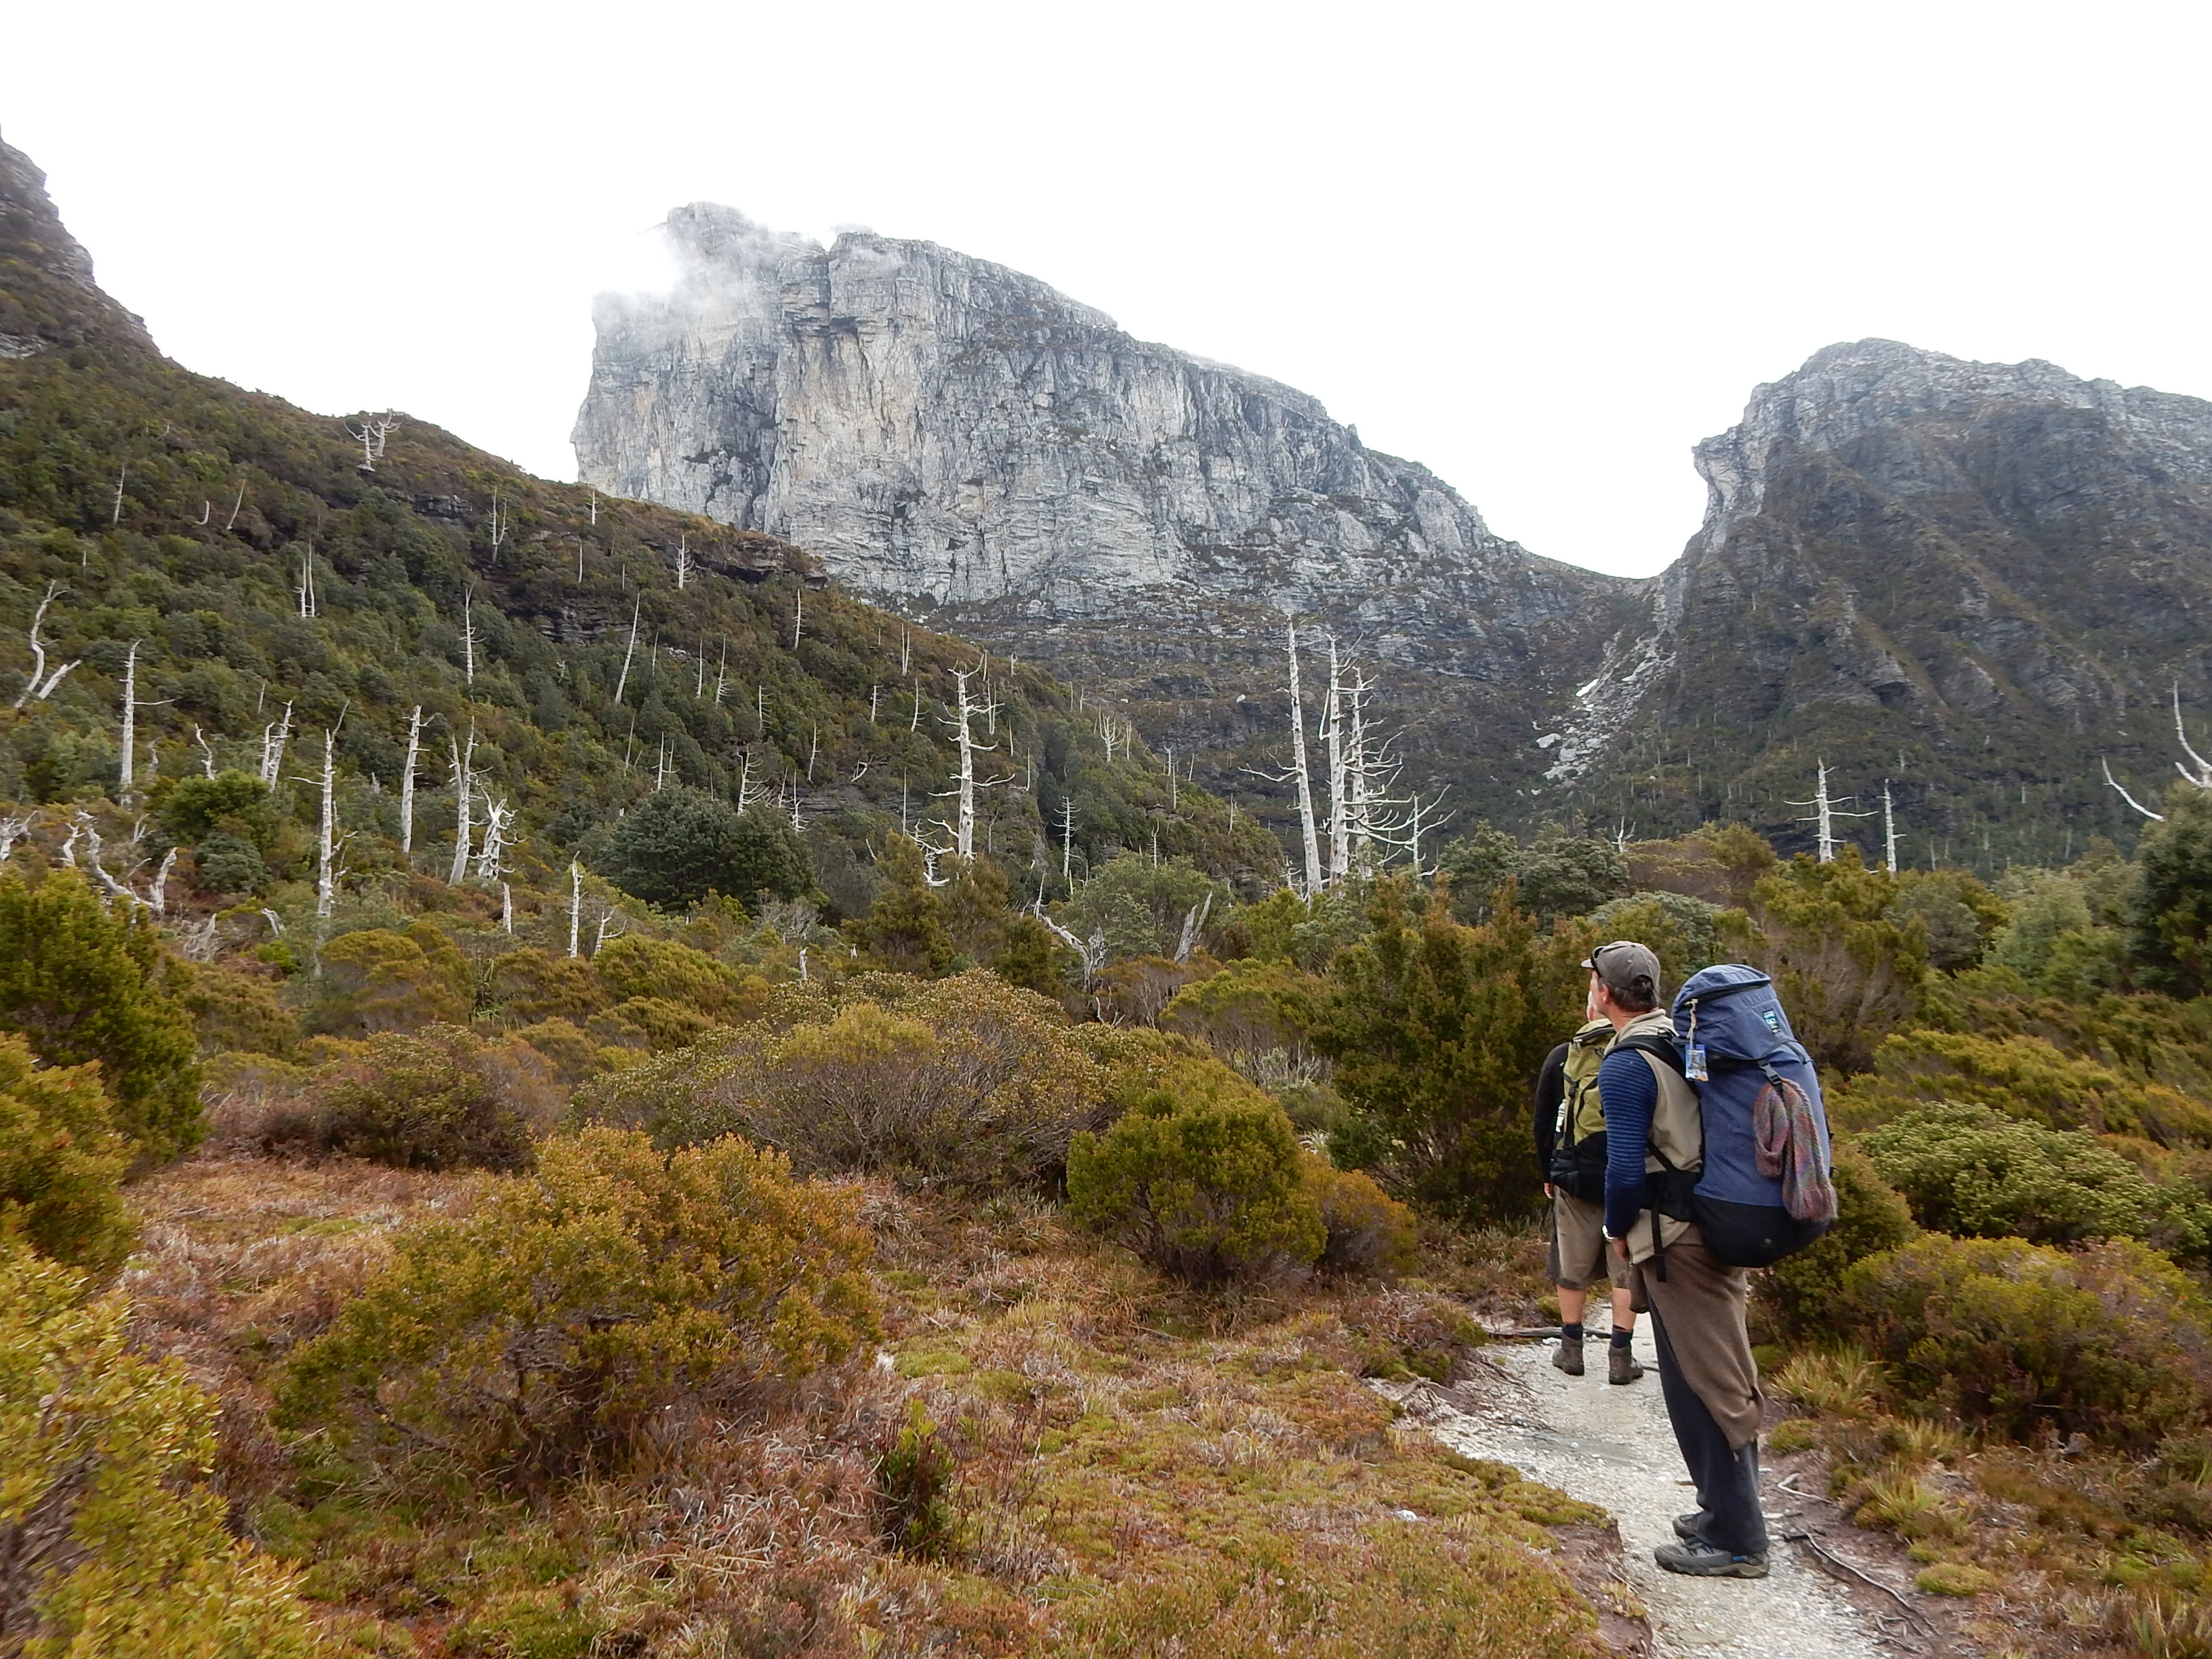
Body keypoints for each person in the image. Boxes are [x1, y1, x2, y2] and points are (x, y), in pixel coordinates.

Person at [1587, 939, 1770, 1580]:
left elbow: (1624, 1164)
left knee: (1706, 1383)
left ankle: (1741, 1539)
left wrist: (1614, 1226)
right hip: (1706, 1225)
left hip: (1676, 1240)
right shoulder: (1676, 1037)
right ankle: (1719, 1509)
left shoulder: (1628, 1061)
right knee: (1707, 1374)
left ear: (1604, 993)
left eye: (1593, 983)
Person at [1532, 1002, 1645, 1384]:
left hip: (1575, 1175)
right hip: (1631, 1177)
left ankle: (1571, 1350)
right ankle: (1620, 1356)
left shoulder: (1565, 1056)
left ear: (1594, 1007)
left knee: (1571, 1266)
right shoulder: (1644, 1053)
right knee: (1624, 1271)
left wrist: (1548, 1170)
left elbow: (1544, 1120)